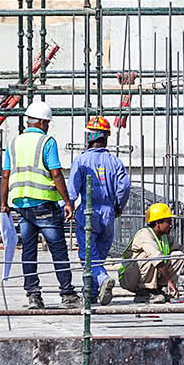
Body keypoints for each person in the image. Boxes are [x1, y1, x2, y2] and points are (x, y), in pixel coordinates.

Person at [0, 100, 78, 309]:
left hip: (22, 206)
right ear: (42, 123)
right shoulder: (47, 142)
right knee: (58, 249)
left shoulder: (13, 143)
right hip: (45, 205)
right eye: (48, 123)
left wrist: (3, 204)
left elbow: (5, 176)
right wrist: (67, 202)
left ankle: (33, 295)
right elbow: (56, 173)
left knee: (28, 251)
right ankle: (68, 294)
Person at [68, 116, 130, 306]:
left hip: (89, 211)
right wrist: (118, 206)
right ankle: (92, 293)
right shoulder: (115, 162)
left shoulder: (81, 161)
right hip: (108, 213)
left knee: (88, 255)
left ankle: (102, 280)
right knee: (99, 254)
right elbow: (124, 186)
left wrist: (68, 206)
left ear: (89, 137)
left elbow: (72, 189)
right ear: (106, 137)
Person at [120, 203, 184, 303]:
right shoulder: (145, 234)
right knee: (148, 257)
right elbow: (157, 259)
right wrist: (170, 281)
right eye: (168, 222)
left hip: (147, 275)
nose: (170, 225)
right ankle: (144, 292)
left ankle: (157, 290)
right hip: (130, 278)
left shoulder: (164, 237)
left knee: (178, 255)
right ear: (157, 223)